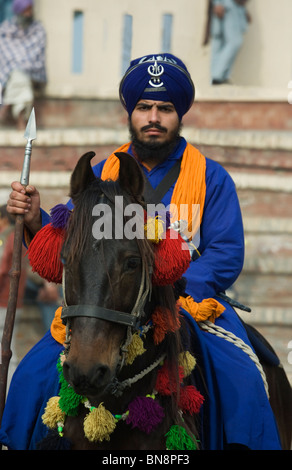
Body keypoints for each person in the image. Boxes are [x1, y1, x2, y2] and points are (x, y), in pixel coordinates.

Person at [1, 53, 281, 450]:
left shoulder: (212, 178)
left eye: (164, 108)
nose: (154, 116)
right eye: (144, 107)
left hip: (191, 302)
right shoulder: (101, 177)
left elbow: (226, 251)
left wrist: (179, 284)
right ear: (130, 113)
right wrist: (35, 219)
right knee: (31, 373)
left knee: (243, 377)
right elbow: (78, 247)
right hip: (108, 303)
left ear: (178, 114)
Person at [0, 0, 46, 129]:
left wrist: (18, 64)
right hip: (10, 73)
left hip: (32, 72)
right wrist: (16, 64)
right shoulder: (6, 30)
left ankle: (7, 105)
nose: (28, 14)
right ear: (18, 12)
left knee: (20, 75)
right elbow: (4, 55)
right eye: (25, 11)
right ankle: (21, 120)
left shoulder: (38, 30)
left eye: (30, 10)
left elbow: (36, 55)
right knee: (18, 76)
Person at [0, 205, 27, 385]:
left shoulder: (7, 237)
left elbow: (2, 270)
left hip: (4, 300)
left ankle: (8, 390)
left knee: (5, 351)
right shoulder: (19, 238)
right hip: (14, 299)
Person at [203, 0, 251, 85]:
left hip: (231, 6)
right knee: (234, 41)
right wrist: (217, 3)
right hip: (227, 5)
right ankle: (218, 75)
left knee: (220, 42)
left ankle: (221, 76)